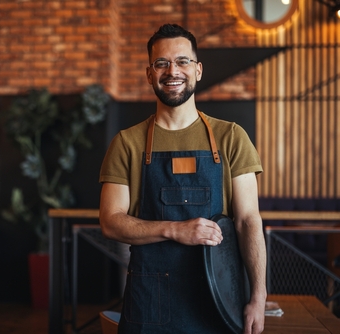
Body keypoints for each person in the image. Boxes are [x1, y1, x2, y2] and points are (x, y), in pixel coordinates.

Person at [99, 23, 267, 334]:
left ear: (198, 70)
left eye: (182, 61)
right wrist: (176, 230)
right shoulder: (127, 143)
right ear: (150, 74)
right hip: (148, 305)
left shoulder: (231, 137)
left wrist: (258, 295)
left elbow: (248, 221)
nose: (171, 70)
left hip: (219, 303)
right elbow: (110, 222)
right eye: (161, 63)